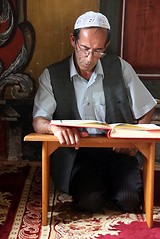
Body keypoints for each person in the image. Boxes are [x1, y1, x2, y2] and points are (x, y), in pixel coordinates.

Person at [32, 11, 157, 213]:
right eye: (85, 49)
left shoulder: (119, 68)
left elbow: (147, 107)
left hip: (119, 152)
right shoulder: (52, 75)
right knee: (89, 203)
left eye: (98, 51)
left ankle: (115, 185)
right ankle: (99, 187)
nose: (90, 58)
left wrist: (134, 141)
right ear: (73, 40)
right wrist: (53, 128)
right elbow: (39, 120)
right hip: (81, 154)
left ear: (106, 46)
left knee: (130, 202)